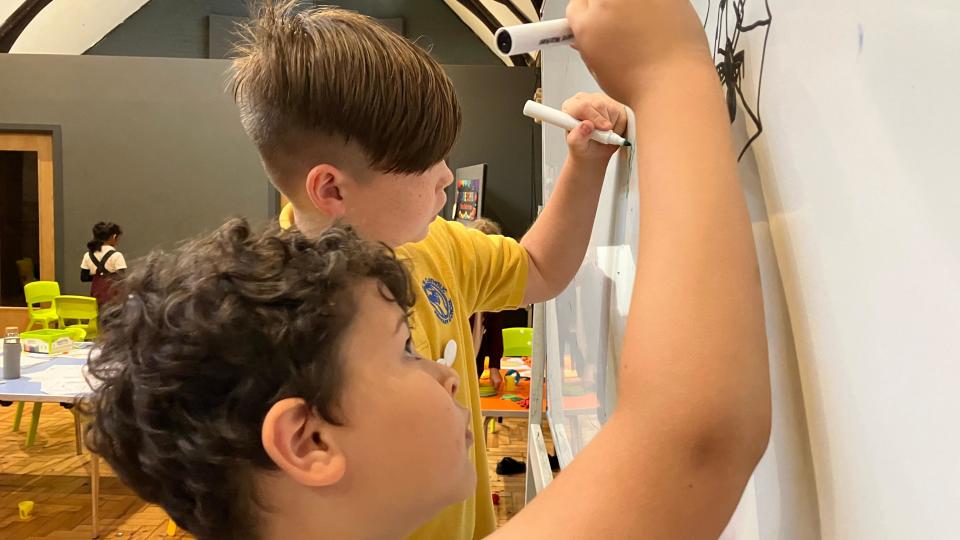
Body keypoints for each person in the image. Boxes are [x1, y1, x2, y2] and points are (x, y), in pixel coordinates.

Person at [85, 0, 771, 539]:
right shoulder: (304, 326)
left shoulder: (358, 283)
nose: (452, 370)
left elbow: (534, 267)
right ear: (309, 439)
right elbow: (690, 440)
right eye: (406, 351)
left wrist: (586, 162)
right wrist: (668, 73)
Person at [231, 3, 624, 538]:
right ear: (332, 189)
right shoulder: (277, 321)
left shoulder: (436, 245)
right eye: (422, 163)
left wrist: (584, 161)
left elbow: (538, 269)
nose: (445, 176)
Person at [467, 218, 506, 389]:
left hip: (476, 355)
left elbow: (494, 325)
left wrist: (494, 367)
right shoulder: (462, 276)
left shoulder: (491, 281)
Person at [80, 221, 126, 305]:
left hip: (95, 297)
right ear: (114, 236)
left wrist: (99, 276)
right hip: (112, 298)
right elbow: (122, 279)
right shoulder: (117, 255)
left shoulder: (87, 255)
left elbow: (84, 277)